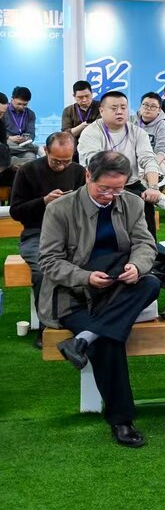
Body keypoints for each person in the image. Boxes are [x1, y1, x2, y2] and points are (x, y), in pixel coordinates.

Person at [37, 152, 162, 448]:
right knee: (109, 340)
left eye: (118, 189)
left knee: (151, 282)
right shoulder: (60, 208)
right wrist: (85, 277)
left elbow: (146, 244)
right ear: (87, 177)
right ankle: (122, 420)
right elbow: (49, 261)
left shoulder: (132, 202)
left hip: (117, 288)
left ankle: (83, 339)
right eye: (104, 188)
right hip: (72, 295)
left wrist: (136, 267)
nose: (110, 195)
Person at [9, 132, 85, 348]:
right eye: (56, 161)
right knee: (44, 271)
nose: (61, 166)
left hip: (71, 233)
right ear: (45, 151)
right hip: (36, 233)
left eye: (66, 161)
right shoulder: (27, 171)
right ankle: (47, 326)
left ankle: (81, 319)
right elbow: (16, 211)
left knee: (89, 261)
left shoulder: (79, 171)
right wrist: (44, 201)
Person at [78, 91, 165, 237]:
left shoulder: (138, 132)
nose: (119, 111)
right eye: (114, 108)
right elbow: (94, 163)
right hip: (100, 185)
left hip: (131, 184)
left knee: (146, 202)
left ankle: (150, 247)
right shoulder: (90, 132)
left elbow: (148, 160)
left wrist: (153, 188)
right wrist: (114, 188)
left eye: (123, 108)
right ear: (101, 110)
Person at [133, 91, 165, 177]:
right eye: (145, 105)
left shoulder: (163, 126)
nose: (148, 108)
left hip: (155, 158)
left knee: (159, 171)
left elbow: (163, 149)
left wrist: (151, 166)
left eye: (153, 106)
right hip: (134, 158)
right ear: (140, 106)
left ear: (159, 110)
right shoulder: (131, 121)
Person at [5, 85, 38, 165]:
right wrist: (9, 137)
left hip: (22, 145)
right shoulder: (3, 110)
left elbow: (31, 133)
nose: (21, 107)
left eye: (25, 104)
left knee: (31, 157)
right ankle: (36, 149)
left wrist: (26, 139)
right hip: (7, 142)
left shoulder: (30, 114)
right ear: (11, 99)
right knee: (5, 144)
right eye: (19, 104)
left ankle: (12, 160)